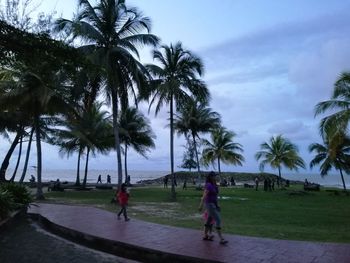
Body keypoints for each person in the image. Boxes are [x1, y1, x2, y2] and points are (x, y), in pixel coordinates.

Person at [198, 171, 228, 245]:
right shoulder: (208, 185)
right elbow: (204, 195)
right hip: (209, 205)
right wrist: (201, 205)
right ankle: (221, 239)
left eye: (216, 176)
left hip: (213, 204)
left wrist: (217, 205)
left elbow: (215, 197)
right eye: (214, 176)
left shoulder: (214, 185)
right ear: (211, 177)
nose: (216, 177)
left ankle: (205, 235)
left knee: (209, 220)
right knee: (218, 219)